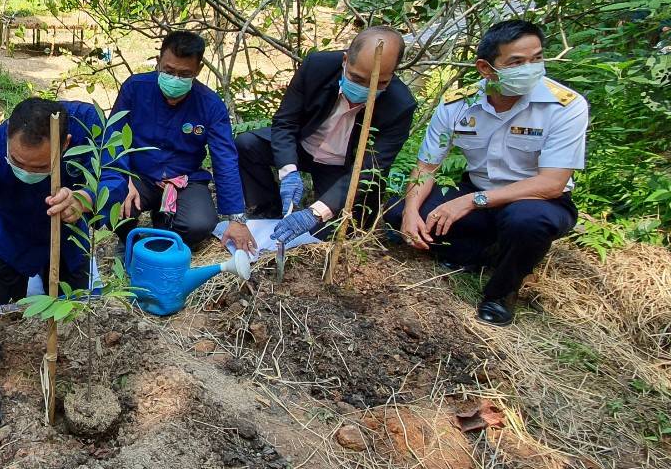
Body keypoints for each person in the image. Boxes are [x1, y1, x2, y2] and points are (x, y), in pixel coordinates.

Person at [385, 20, 588, 326]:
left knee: (526, 223)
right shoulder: (459, 105)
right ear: (486, 68)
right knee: (397, 214)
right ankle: (481, 251)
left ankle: (501, 293)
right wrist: (411, 211)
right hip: (477, 189)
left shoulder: (564, 107)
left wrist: (469, 202)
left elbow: (552, 183)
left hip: (535, 200)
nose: (531, 68)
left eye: (537, 58)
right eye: (517, 62)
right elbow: (427, 167)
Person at [0, 98, 125, 359]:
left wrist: (83, 199)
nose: (27, 172)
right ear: (8, 135)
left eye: (40, 167)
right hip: (10, 236)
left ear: (65, 145)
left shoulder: (87, 126)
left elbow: (114, 177)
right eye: (17, 162)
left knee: (81, 320)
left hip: (67, 237)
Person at [235, 26, 417, 245]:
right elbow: (286, 122)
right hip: (304, 146)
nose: (366, 90)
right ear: (345, 60)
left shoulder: (399, 106)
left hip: (343, 167)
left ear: (392, 75)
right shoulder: (317, 67)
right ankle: (269, 212)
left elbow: (371, 170)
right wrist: (288, 171)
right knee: (247, 144)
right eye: (357, 79)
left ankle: (312, 215)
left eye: (380, 83)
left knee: (330, 232)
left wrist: (315, 213)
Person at [111, 31, 256, 254]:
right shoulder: (135, 88)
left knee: (200, 223)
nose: (175, 79)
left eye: (184, 74)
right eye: (168, 71)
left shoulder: (210, 104)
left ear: (197, 71)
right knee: (112, 197)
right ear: (158, 61)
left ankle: (163, 233)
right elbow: (114, 135)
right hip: (138, 175)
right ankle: (127, 239)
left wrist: (236, 218)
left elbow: (225, 158)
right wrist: (122, 177)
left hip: (185, 180)